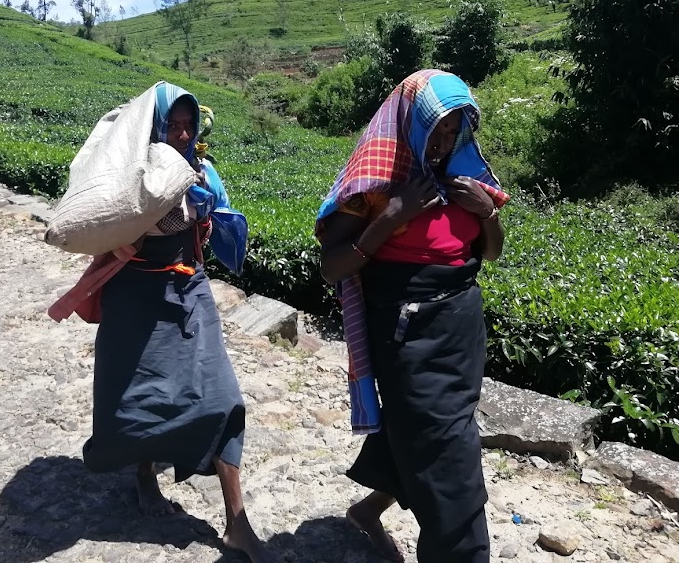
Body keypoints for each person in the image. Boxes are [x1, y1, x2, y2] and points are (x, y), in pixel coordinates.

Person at [315, 70, 509, 562]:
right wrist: (390, 216)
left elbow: (491, 254)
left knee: (431, 433)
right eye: (437, 128)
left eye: (454, 129)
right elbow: (331, 265)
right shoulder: (377, 187)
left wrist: (487, 212)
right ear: (413, 125)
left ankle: (367, 510)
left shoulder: (465, 177)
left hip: (461, 328)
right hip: (407, 332)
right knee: (450, 457)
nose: (444, 142)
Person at [75, 82, 272, 562]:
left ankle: (236, 523)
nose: (182, 135)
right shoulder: (129, 176)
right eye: (173, 126)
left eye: (188, 126)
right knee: (143, 393)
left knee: (222, 396)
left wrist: (211, 214)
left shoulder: (201, 171)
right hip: (136, 296)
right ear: (155, 127)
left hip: (189, 290)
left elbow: (220, 224)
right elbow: (105, 228)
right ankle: (145, 474)